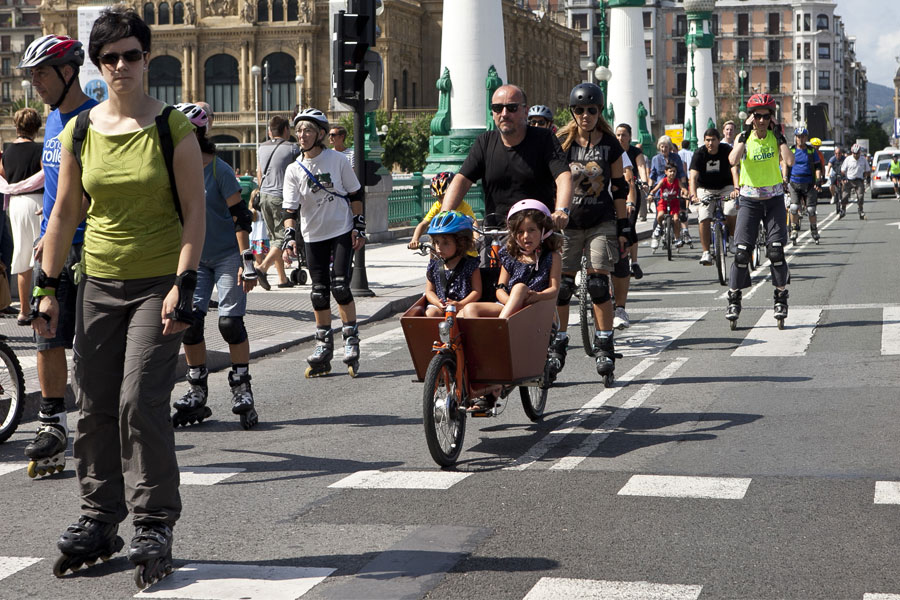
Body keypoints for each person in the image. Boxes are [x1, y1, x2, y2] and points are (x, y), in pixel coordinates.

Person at [33, 7, 205, 586]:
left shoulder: (172, 129)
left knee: (138, 399)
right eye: (110, 57)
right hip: (98, 283)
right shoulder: (81, 130)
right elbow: (64, 212)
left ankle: (153, 521)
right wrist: (47, 287)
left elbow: (195, 213)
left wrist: (184, 283)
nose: (121, 65)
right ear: (97, 65)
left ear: (147, 58)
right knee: (94, 403)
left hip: (159, 285)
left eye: (132, 55)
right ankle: (100, 516)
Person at [17, 34, 97, 479]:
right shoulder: (51, 120)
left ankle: (102, 419)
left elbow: (91, 192)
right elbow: (55, 186)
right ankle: (52, 424)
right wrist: (46, 229)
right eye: (31, 76)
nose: (35, 83)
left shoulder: (95, 120)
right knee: (45, 329)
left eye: (41, 74)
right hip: (53, 247)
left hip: (90, 248)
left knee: (89, 346)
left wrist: (58, 230)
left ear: (68, 72)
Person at [171, 103, 259, 430]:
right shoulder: (173, 169)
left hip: (226, 256)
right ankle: (196, 389)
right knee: (189, 323)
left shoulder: (219, 170)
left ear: (196, 134)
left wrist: (247, 262)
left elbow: (241, 217)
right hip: (193, 257)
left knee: (229, 323)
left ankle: (242, 387)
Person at [551, 82, 631, 381]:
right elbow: (551, 181)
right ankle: (558, 343)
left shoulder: (610, 144)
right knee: (562, 288)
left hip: (601, 221)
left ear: (599, 112)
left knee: (598, 285)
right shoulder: (562, 143)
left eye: (592, 110)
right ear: (573, 112)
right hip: (568, 224)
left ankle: (605, 344)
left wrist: (624, 227)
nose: (586, 115)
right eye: (580, 110)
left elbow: (619, 188)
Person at [282, 108, 366, 377]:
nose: (301, 135)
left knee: (339, 285)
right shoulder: (293, 169)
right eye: (298, 131)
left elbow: (355, 193)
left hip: (341, 230)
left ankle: (350, 339)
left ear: (320, 134)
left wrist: (358, 227)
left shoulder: (337, 160)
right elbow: (289, 210)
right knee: (318, 291)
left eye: (307, 130)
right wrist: (289, 238)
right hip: (312, 234)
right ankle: (323, 344)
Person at [440, 84, 572, 230]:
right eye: (497, 108)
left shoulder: (544, 138)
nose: (504, 114)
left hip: (537, 232)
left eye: (512, 108)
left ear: (525, 111)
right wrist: (444, 216)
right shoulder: (485, 142)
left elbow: (563, 176)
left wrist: (562, 210)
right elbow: (462, 180)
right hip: (496, 232)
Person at [725, 93, 793, 327]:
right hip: (750, 201)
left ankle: (780, 297)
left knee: (775, 251)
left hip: (773, 200)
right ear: (751, 118)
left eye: (766, 116)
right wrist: (744, 135)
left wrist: (780, 138)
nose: (762, 121)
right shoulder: (744, 138)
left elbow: (789, 161)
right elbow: (732, 160)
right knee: (741, 253)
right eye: (757, 116)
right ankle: (734, 298)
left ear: (771, 117)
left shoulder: (776, 138)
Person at [460, 200, 561, 320]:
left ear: (543, 231)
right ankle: (488, 332)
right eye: (520, 232)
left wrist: (538, 295)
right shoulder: (510, 256)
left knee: (519, 288)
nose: (525, 236)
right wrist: (512, 302)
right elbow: (500, 289)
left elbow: (554, 289)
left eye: (531, 230)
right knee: (469, 308)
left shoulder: (552, 257)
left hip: (535, 305)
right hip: (508, 305)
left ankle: (500, 326)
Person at [0, 108, 43, 325]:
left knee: (22, 255)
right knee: (42, 255)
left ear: (17, 126)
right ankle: (41, 305)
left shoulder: (7, 153)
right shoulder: (40, 150)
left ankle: (23, 310)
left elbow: (3, 176)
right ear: (36, 128)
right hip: (37, 203)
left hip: (15, 205)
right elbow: (48, 174)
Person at [255, 115, 300, 289]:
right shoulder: (292, 148)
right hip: (281, 197)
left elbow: (259, 173)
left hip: (264, 196)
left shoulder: (262, 148)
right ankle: (262, 268)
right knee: (282, 238)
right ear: (286, 130)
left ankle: (282, 278)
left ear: (270, 131)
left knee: (274, 238)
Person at [410, 210, 482, 317]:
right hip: (440, 305)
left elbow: (477, 291)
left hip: (462, 305)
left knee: (462, 317)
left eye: (446, 243)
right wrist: (437, 303)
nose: (439, 247)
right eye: (437, 242)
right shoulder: (434, 266)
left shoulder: (470, 265)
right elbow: (429, 291)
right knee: (430, 313)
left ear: (461, 243)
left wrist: (460, 304)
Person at [689, 127, 739, 265]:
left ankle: (732, 238)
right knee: (704, 216)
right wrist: (693, 195)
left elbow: (734, 169)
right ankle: (706, 252)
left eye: (713, 140)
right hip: (705, 189)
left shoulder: (726, 150)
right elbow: (693, 177)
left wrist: (736, 188)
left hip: (726, 188)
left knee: (730, 209)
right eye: (707, 140)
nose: (710, 143)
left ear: (718, 140)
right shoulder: (699, 153)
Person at [408, 171, 478, 254]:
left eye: (444, 196)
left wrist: (476, 241)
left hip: (463, 251)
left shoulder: (462, 206)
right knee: (434, 251)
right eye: (439, 197)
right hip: (444, 248)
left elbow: (474, 224)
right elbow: (423, 224)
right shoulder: (437, 205)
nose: (442, 200)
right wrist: (415, 239)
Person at [615, 123, 648, 278]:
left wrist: (645, 181)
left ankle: (634, 262)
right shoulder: (612, 150)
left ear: (629, 136)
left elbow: (641, 167)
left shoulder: (635, 152)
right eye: (618, 135)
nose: (620, 138)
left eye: (624, 135)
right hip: (615, 193)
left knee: (630, 225)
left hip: (631, 191)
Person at [649, 135, 691, 246]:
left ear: (670, 147)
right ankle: (656, 235)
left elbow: (681, 173)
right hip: (661, 191)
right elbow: (652, 175)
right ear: (659, 147)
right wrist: (650, 190)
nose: (664, 149)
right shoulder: (655, 159)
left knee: (677, 214)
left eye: (666, 147)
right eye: (662, 147)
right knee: (659, 214)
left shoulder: (676, 157)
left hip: (674, 189)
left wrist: (684, 188)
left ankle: (679, 235)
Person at [784, 127, 823, 243]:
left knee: (811, 209)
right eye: (798, 137)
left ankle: (814, 229)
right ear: (795, 138)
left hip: (809, 183)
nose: (800, 139)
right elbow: (785, 164)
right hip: (794, 182)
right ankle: (794, 228)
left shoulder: (811, 151)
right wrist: (784, 179)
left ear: (806, 138)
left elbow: (818, 166)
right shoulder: (791, 150)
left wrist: (818, 180)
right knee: (793, 207)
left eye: (802, 136)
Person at [650, 163, 686, 249]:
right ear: (666, 172)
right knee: (660, 215)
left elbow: (683, 189)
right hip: (663, 202)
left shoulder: (677, 181)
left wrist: (685, 193)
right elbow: (655, 189)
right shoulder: (663, 181)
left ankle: (677, 238)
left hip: (674, 203)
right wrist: (651, 195)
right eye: (670, 171)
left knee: (676, 219)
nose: (672, 173)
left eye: (674, 171)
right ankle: (659, 227)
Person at [840, 143, 870, 219]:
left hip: (859, 180)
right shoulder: (848, 159)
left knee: (860, 196)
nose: (856, 155)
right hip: (849, 180)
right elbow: (843, 170)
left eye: (857, 153)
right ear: (852, 153)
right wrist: (843, 178)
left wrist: (867, 178)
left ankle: (860, 210)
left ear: (860, 152)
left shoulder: (863, 159)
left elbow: (867, 170)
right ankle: (843, 210)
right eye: (854, 153)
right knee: (844, 196)